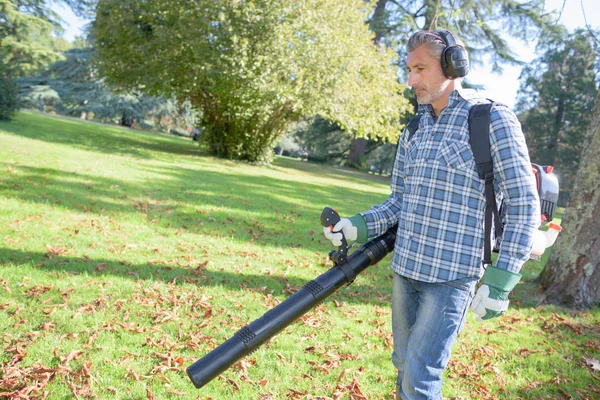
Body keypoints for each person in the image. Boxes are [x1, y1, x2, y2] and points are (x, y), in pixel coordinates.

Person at [323, 29, 539, 399]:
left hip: (452, 277)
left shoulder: (491, 119)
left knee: (421, 378)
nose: (411, 80)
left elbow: (524, 203)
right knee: (404, 367)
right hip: (406, 270)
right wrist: (355, 226)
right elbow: (398, 202)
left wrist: (503, 279)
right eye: (409, 69)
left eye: (420, 69)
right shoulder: (415, 128)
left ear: (453, 65)